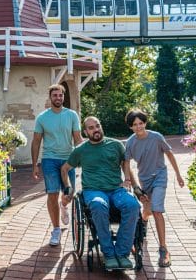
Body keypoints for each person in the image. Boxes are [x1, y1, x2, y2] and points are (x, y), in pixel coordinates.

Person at [60, 116, 141, 270]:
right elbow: (64, 169)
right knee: (98, 204)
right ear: (85, 132)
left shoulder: (116, 145)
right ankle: (109, 254)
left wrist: (131, 182)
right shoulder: (81, 150)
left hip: (116, 189)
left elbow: (126, 163)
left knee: (132, 205)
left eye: (97, 126)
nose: (95, 129)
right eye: (91, 128)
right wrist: (68, 187)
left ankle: (122, 254)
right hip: (93, 190)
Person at [124, 108, 184, 268]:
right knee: (148, 209)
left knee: (157, 209)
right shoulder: (130, 142)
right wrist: (129, 180)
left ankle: (163, 249)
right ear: (130, 127)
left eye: (141, 123)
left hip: (160, 176)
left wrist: (178, 174)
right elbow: (127, 162)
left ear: (145, 123)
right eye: (135, 124)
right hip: (144, 179)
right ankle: (143, 220)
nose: (139, 127)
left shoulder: (156, 137)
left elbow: (169, 154)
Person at [31, 84, 83, 247]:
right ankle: (55, 230)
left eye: (60, 95)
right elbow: (36, 141)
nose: (58, 98)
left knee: (69, 194)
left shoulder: (72, 115)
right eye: (55, 95)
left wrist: (83, 158)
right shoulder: (42, 117)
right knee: (52, 193)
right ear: (50, 97)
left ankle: (64, 205)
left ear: (63, 97)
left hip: (68, 160)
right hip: (49, 159)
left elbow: (78, 139)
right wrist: (34, 165)